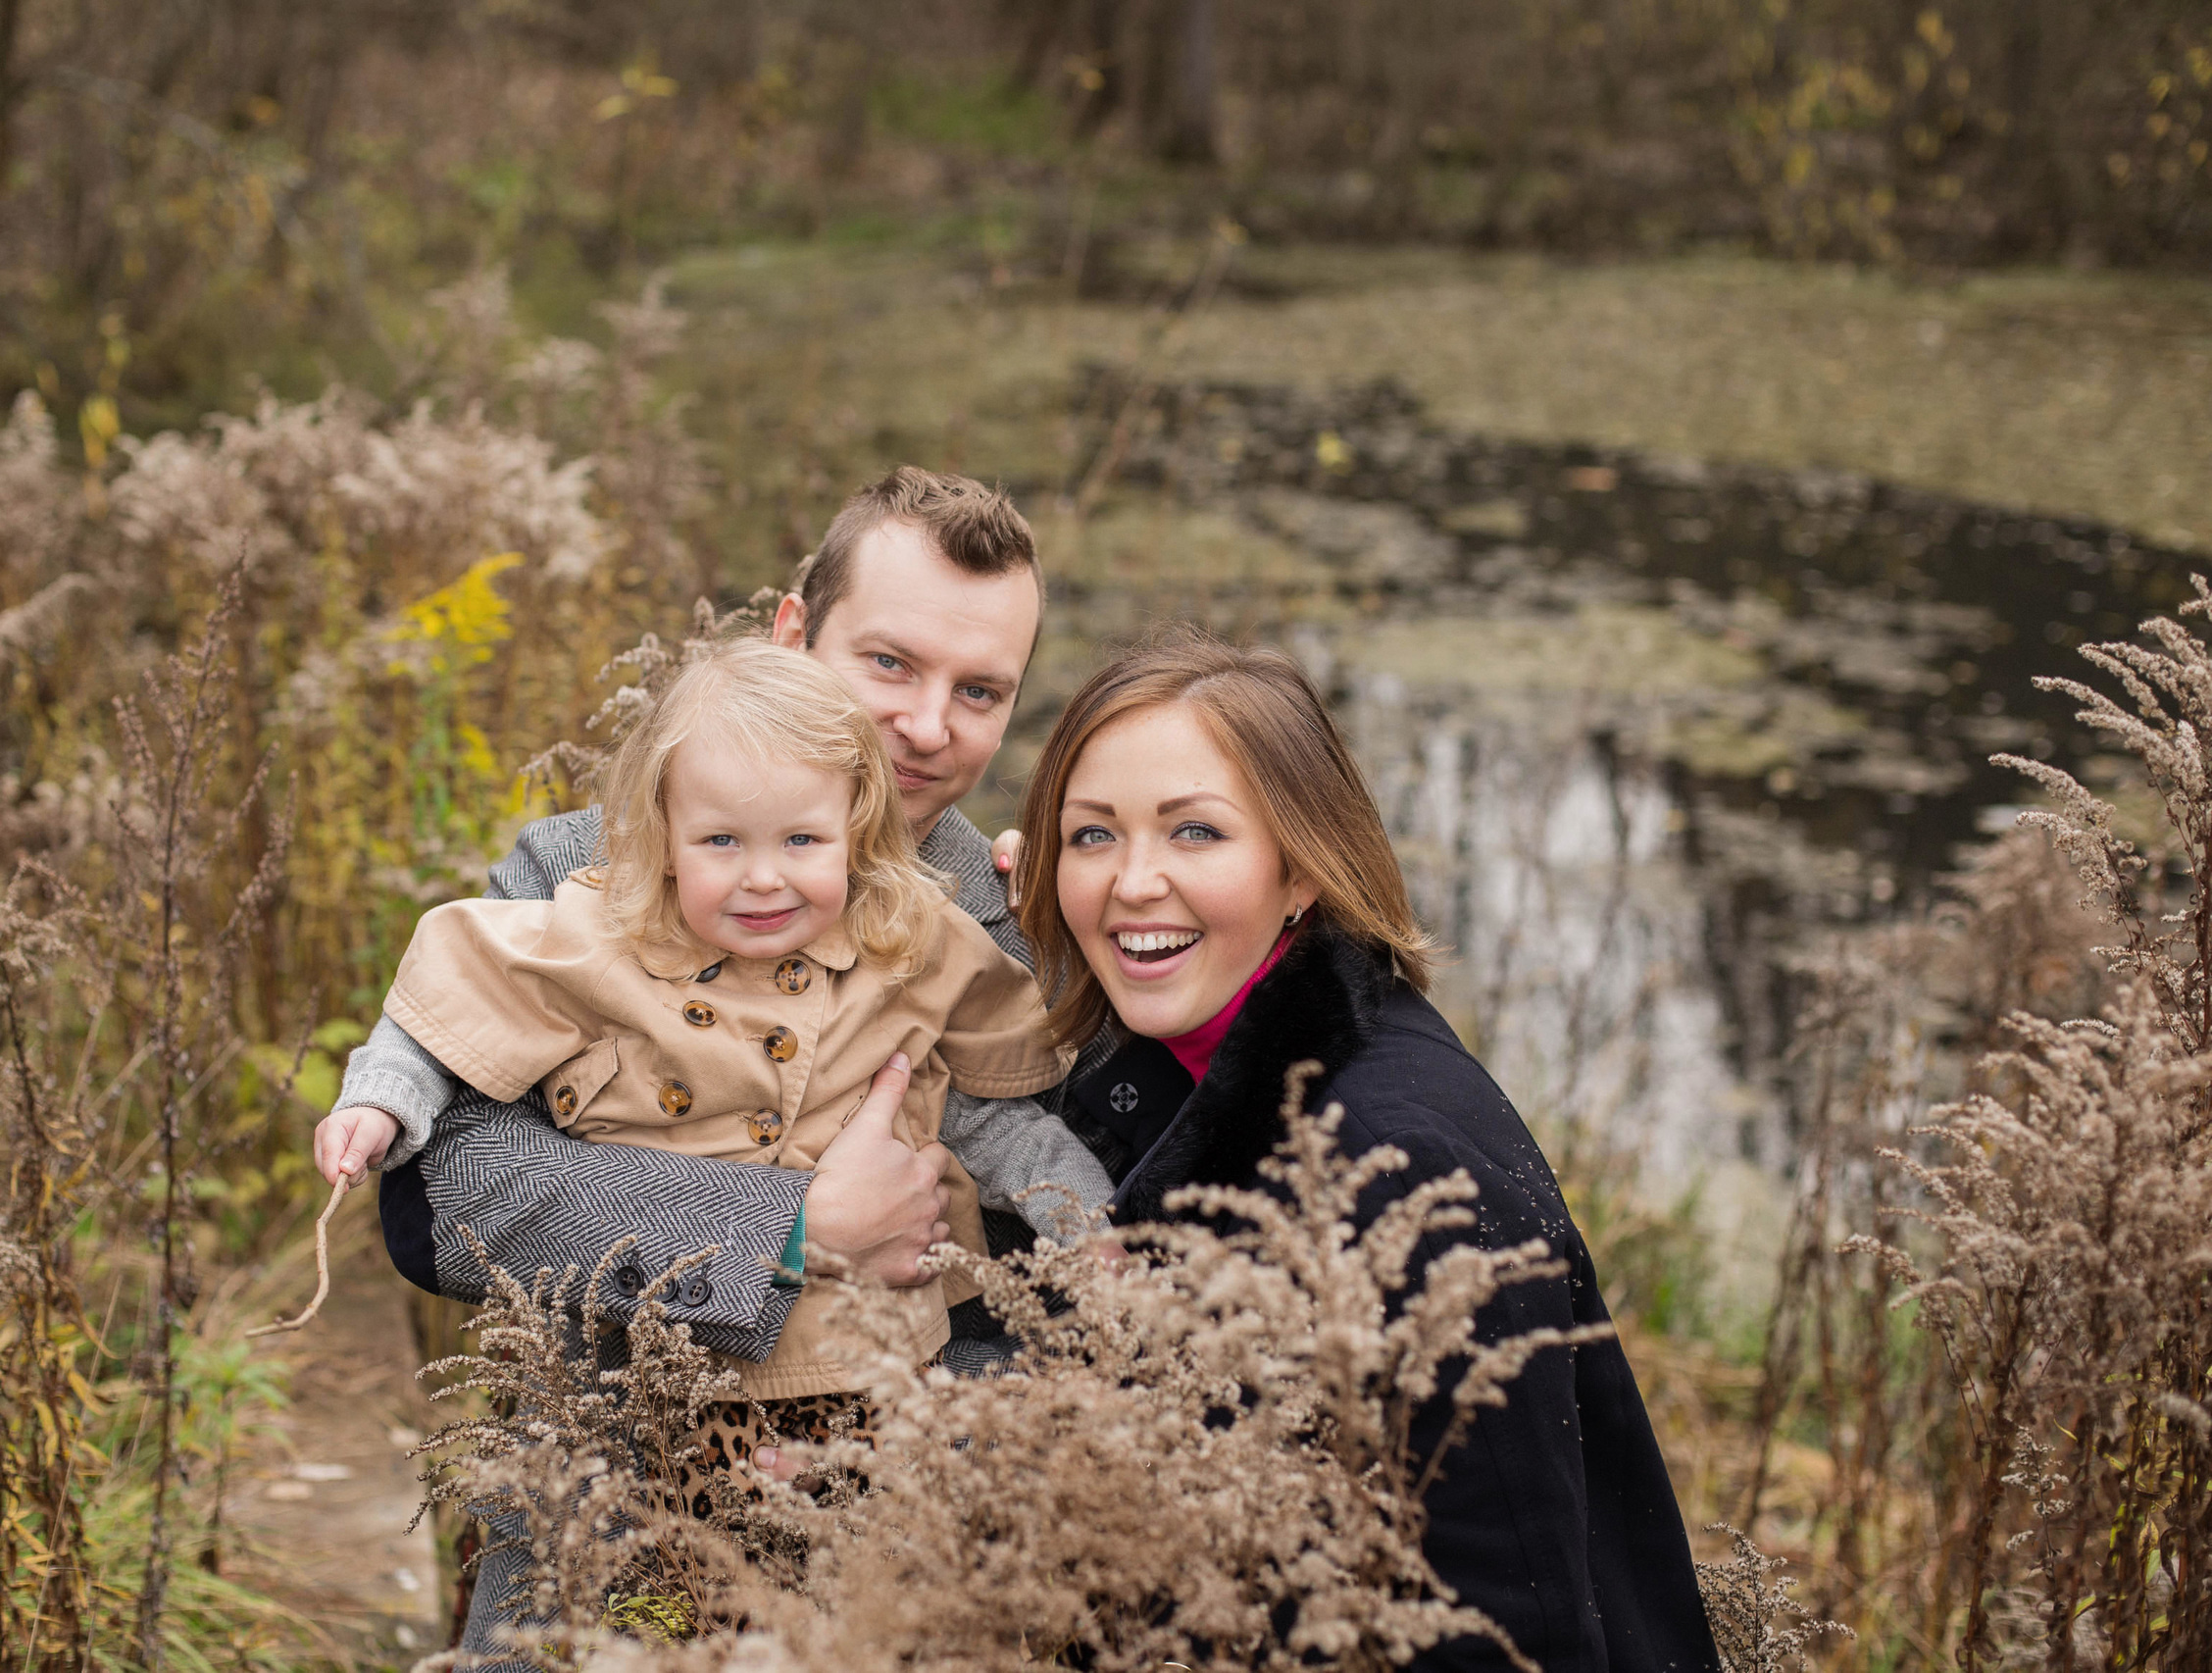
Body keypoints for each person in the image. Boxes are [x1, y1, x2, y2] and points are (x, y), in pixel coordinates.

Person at [1006, 629, 1722, 1673]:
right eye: (1092, 835)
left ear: (1299, 867)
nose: (1132, 881)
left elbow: (1510, 1627)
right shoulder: (1172, 1071)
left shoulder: (1405, 1171)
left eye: (1196, 830)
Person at [345, 640, 1110, 1485]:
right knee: (669, 1520)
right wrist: (382, 1096)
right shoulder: (600, 931)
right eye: (721, 841)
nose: (764, 879)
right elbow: (451, 1002)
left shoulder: (917, 945)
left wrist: (1093, 1225)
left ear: (855, 831)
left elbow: (995, 1119)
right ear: (664, 838)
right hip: (658, 1373)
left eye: (802, 840)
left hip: (871, 1371)